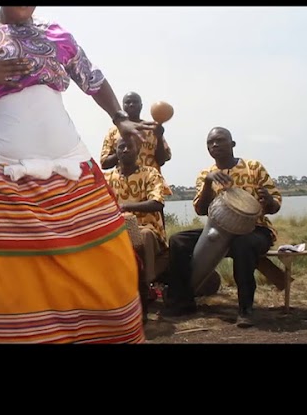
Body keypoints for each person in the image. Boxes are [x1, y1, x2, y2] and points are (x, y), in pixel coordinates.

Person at [0, 6, 156, 343]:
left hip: (73, 174)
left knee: (112, 273)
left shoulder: (55, 32)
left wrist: (119, 117)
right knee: (5, 289)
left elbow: (92, 78)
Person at [162, 127, 282, 328]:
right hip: (218, 230)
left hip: (256, 230)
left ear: (233, 144)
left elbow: (274, 205)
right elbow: (201, 210)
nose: (214, 145)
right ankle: (182, 301)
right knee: (178, 241)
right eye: (210, 143)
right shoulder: (206, 174)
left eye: (220, 140)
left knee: (243, 243)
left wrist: (269, 201)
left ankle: (245, 310)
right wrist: (208, 183)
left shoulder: (253, 167)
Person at [104, 136, 168, 318]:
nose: (125, 150)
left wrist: (124, 206)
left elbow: (157, 202)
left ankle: (146, 288)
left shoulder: (151, 173)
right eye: (121, 147)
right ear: (115, 152)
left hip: (147, 227)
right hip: (116, 229)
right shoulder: (107, 177)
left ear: (138, 150)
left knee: (144, 236)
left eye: (129, 147)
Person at [100, 91, 173, 197]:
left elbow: (162, 160)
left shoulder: (152, 128)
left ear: (141, 106)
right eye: (128, 102)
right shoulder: (114, 132)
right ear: (122, 106)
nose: (131, 105)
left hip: (150, 186)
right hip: (123, 188)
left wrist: (159, 137)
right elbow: (104, 163)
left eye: (135, 102)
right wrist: (124, 151)